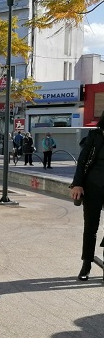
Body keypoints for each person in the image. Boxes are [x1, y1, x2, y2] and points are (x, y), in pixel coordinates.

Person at [71, 111, 104, 281]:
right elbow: (82, 161)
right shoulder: (95, 135)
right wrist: (78, 184)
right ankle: (86, 264)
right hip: (93, 187)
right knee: (91, 227)